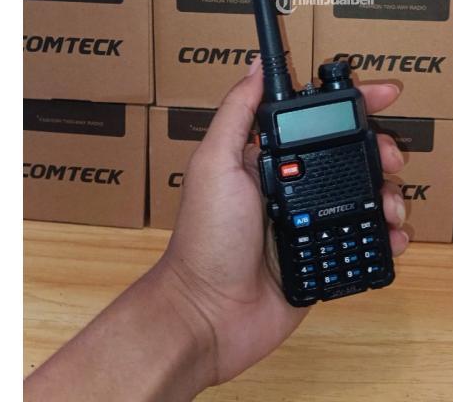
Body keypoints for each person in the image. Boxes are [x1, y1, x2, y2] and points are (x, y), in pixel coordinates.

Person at [25, 63, 409, 400]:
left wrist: (197, 308)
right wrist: (198, 299)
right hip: (304, 230)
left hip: (341, 220)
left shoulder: (347, 122)